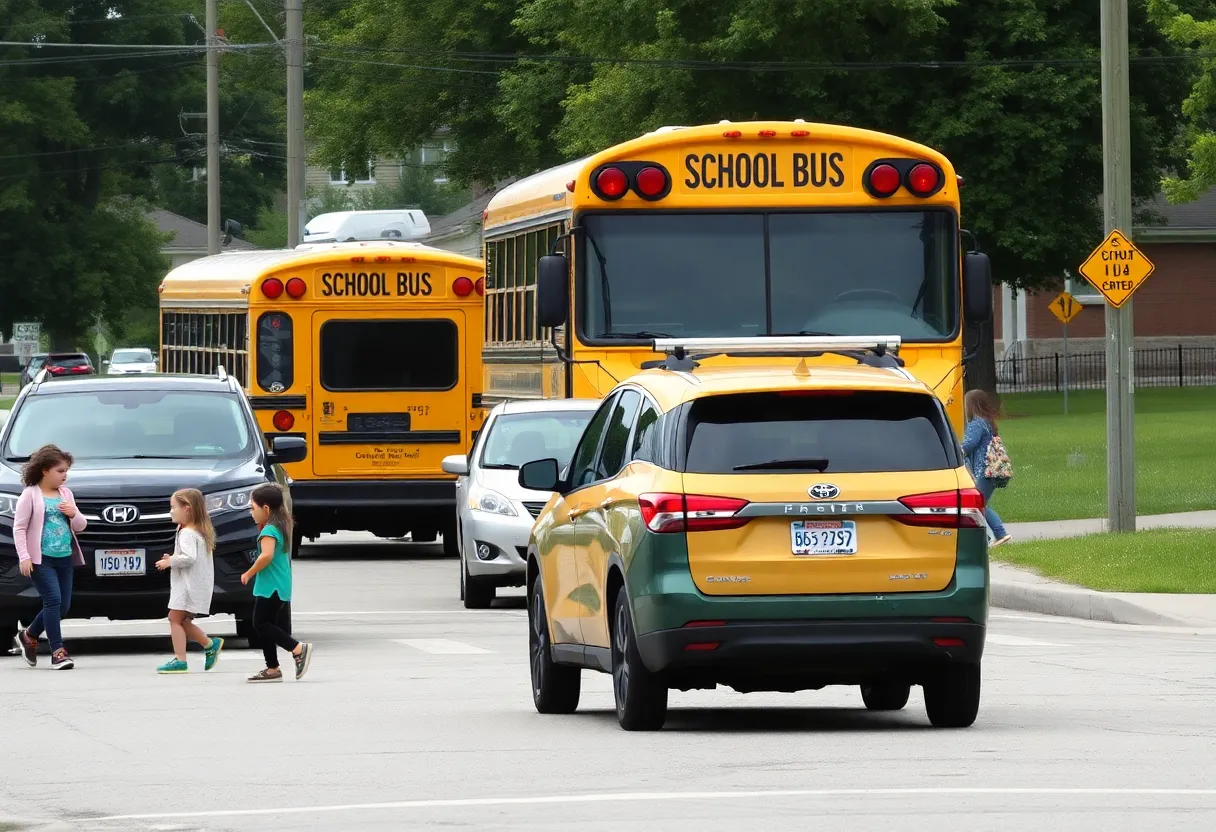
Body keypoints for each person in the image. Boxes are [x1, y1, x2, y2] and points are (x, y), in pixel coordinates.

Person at [11, 445, 87, 670]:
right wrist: (24, 556)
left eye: (66, 471)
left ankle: (29, 635)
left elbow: (81, 526)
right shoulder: (30, 494)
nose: (65, 476)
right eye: (60, 471)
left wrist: (74, 513)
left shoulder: (66, 494)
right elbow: (19, 528)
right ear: (45, 471)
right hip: (41, 559)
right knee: (52, 600)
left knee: (63, 606)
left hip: (64, 557)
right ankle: (58, 652)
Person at [242, 483, 313, 682]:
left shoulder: (269, 531)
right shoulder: (281, 525)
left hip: (270, 586)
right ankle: (272, 668)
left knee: (261, 623)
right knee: (266, 624)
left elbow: (266, 556)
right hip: (279, 583)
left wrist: (249, 572)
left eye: (252, 508)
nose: (250, 512)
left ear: (265, 508)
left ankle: (297, 648)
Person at [154, 488, 224, 674]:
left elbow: (189, 558)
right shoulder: (196, 530)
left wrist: (169, 561)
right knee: (182, 620)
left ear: (187, 508)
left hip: (188, 585)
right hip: (194, 584)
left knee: (174, 618)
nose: (171, 511)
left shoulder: (187, 533)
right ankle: (210, 644)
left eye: (173, 507)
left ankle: (180, 659)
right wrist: (173, 557)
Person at [961, 389, 1012, 547]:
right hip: (990, 470)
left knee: (977, 504)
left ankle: (998, 534)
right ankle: (990, 537)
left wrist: (955, 449)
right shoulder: (987, 422)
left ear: (971, 406)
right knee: (979, 504)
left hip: (984, 470)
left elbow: (969, 444)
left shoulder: (976, 423)